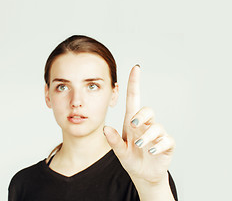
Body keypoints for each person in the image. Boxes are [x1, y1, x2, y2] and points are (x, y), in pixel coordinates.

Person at [8, 35, 178, 201]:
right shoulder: (23, 184)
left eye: (92, 86)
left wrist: (153, 187)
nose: (76, 101)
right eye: (62, 87)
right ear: (47, 94)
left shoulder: (140, 173)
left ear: (114, 93)